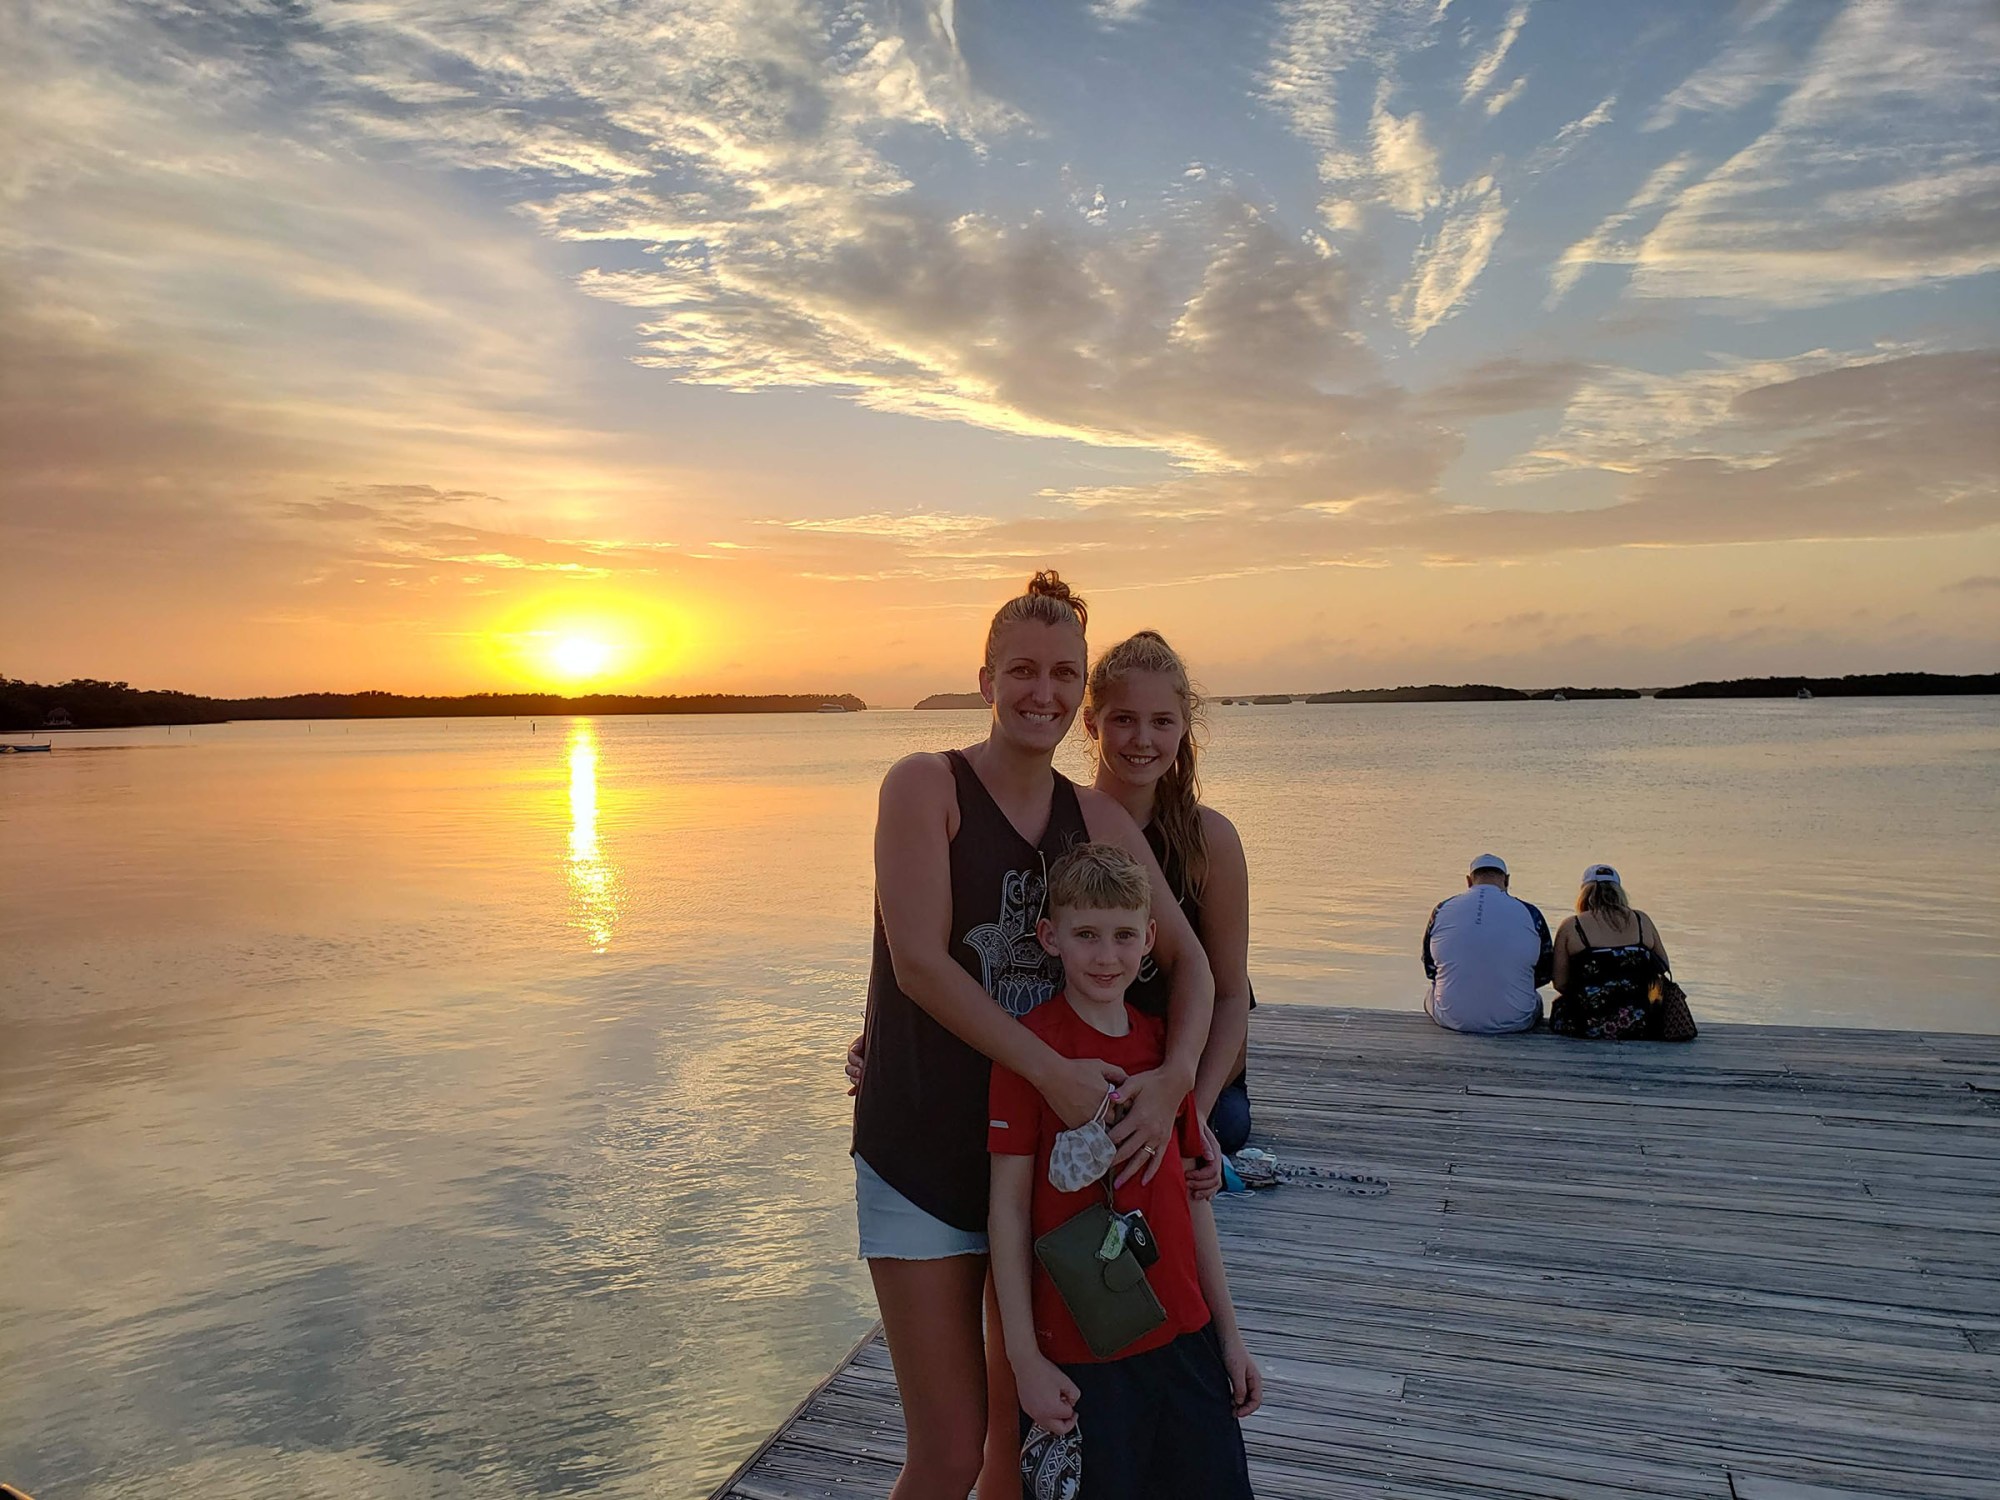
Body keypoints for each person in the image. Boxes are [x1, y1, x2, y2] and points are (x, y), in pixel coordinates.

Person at [850, 572, 1216, 1500]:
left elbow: (1193, 967)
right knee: (949, 1452)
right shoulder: (924, 785)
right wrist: (1053, 1071)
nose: (1041, 692)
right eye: (1022, 670)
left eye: (1063, 673)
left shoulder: (1090, 817)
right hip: (922, 1149)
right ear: (985, 679)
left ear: (1081, 693)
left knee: (1025, 1445)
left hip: (1051, 1176)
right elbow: (918, 963)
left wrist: (1179, 1083)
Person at [989, 842, 1260, 1494]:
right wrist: (1024, 1358)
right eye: (1085, 935)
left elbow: (1194, 1201)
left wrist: (1231, 1337)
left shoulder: (1168, 1054)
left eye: (1122, 936)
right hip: (1085, 1349)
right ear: (1050, 938)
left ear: (1150, 941)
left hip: (1185, 1335)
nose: (1106, 955)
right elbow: (1009, 1209)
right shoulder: (1031, 1055)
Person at [1085, 630, 1256, 1161]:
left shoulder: (1211, 841)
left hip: (1193, 1082)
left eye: (1162, 722)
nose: (1142, 739)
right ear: (1091, 724)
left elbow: (1230, 996)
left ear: (1184, 729)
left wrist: (1191, 1115)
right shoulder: (1065, 827)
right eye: (1124, 719)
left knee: (1225, 1125)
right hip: (1090, 1075)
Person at [1421, 853, 1553, 1034]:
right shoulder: (1530, 913)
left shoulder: (1441, 910)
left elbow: (1430, 969)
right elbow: (1545, 971)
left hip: (1452, 1018)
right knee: (1535, 999)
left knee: (1431, 993)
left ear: (1469, 881)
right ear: (1506, 880)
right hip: (1515, 1020)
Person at [1550, 863, 1671, 1040]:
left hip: (1585, 1023)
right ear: (1618, 891)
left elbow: (1560, 983)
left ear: (1584, 893)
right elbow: (1663, 966)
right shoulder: (1641, 920)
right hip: (1642, 1021)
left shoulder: (1572, 926)